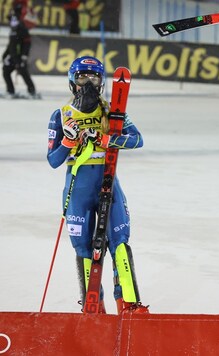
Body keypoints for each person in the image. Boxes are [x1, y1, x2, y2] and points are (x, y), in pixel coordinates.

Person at [46, 56, 148, 314]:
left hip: (108, 183)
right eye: (82, 77)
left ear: (102, 82)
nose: (88, 83)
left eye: (94, 77)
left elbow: (137, 140)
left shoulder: (112, 111)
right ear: (72, 82)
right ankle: (94, 307)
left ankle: (129, 305)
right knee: (83, 248)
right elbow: (53, 160)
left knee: (119, 243)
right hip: (77, 188)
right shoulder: (61, 115)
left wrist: (105, 138)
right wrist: (68, 142)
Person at [2, 0, 38, 99]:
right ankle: (11, 91)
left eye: (13, 19)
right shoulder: (13, 28)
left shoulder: (22, 27)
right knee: (6, 70)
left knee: (23, 72)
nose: (11, 22)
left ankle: (32, 92)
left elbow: (27, 42)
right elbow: (11, 44)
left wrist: (24, 55)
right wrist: (5, 55)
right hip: (13, 56)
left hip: (19, 56)